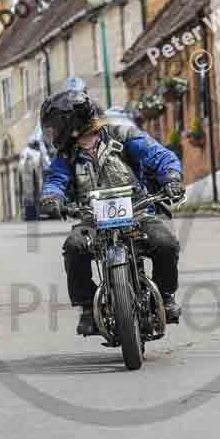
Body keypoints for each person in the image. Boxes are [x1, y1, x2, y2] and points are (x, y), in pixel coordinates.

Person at [39, 90, 185, 336]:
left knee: (166, 243)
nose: (53, 133)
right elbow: (55, 180)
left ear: (70, 122)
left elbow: (160, 156)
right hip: (92, 218)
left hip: (138, 211)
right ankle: (87, 308)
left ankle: (166, 296)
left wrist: (172, 177)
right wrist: (52, 198)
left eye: (55, 126)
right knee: (75, 246)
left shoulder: (125, 136)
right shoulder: (66, 155)